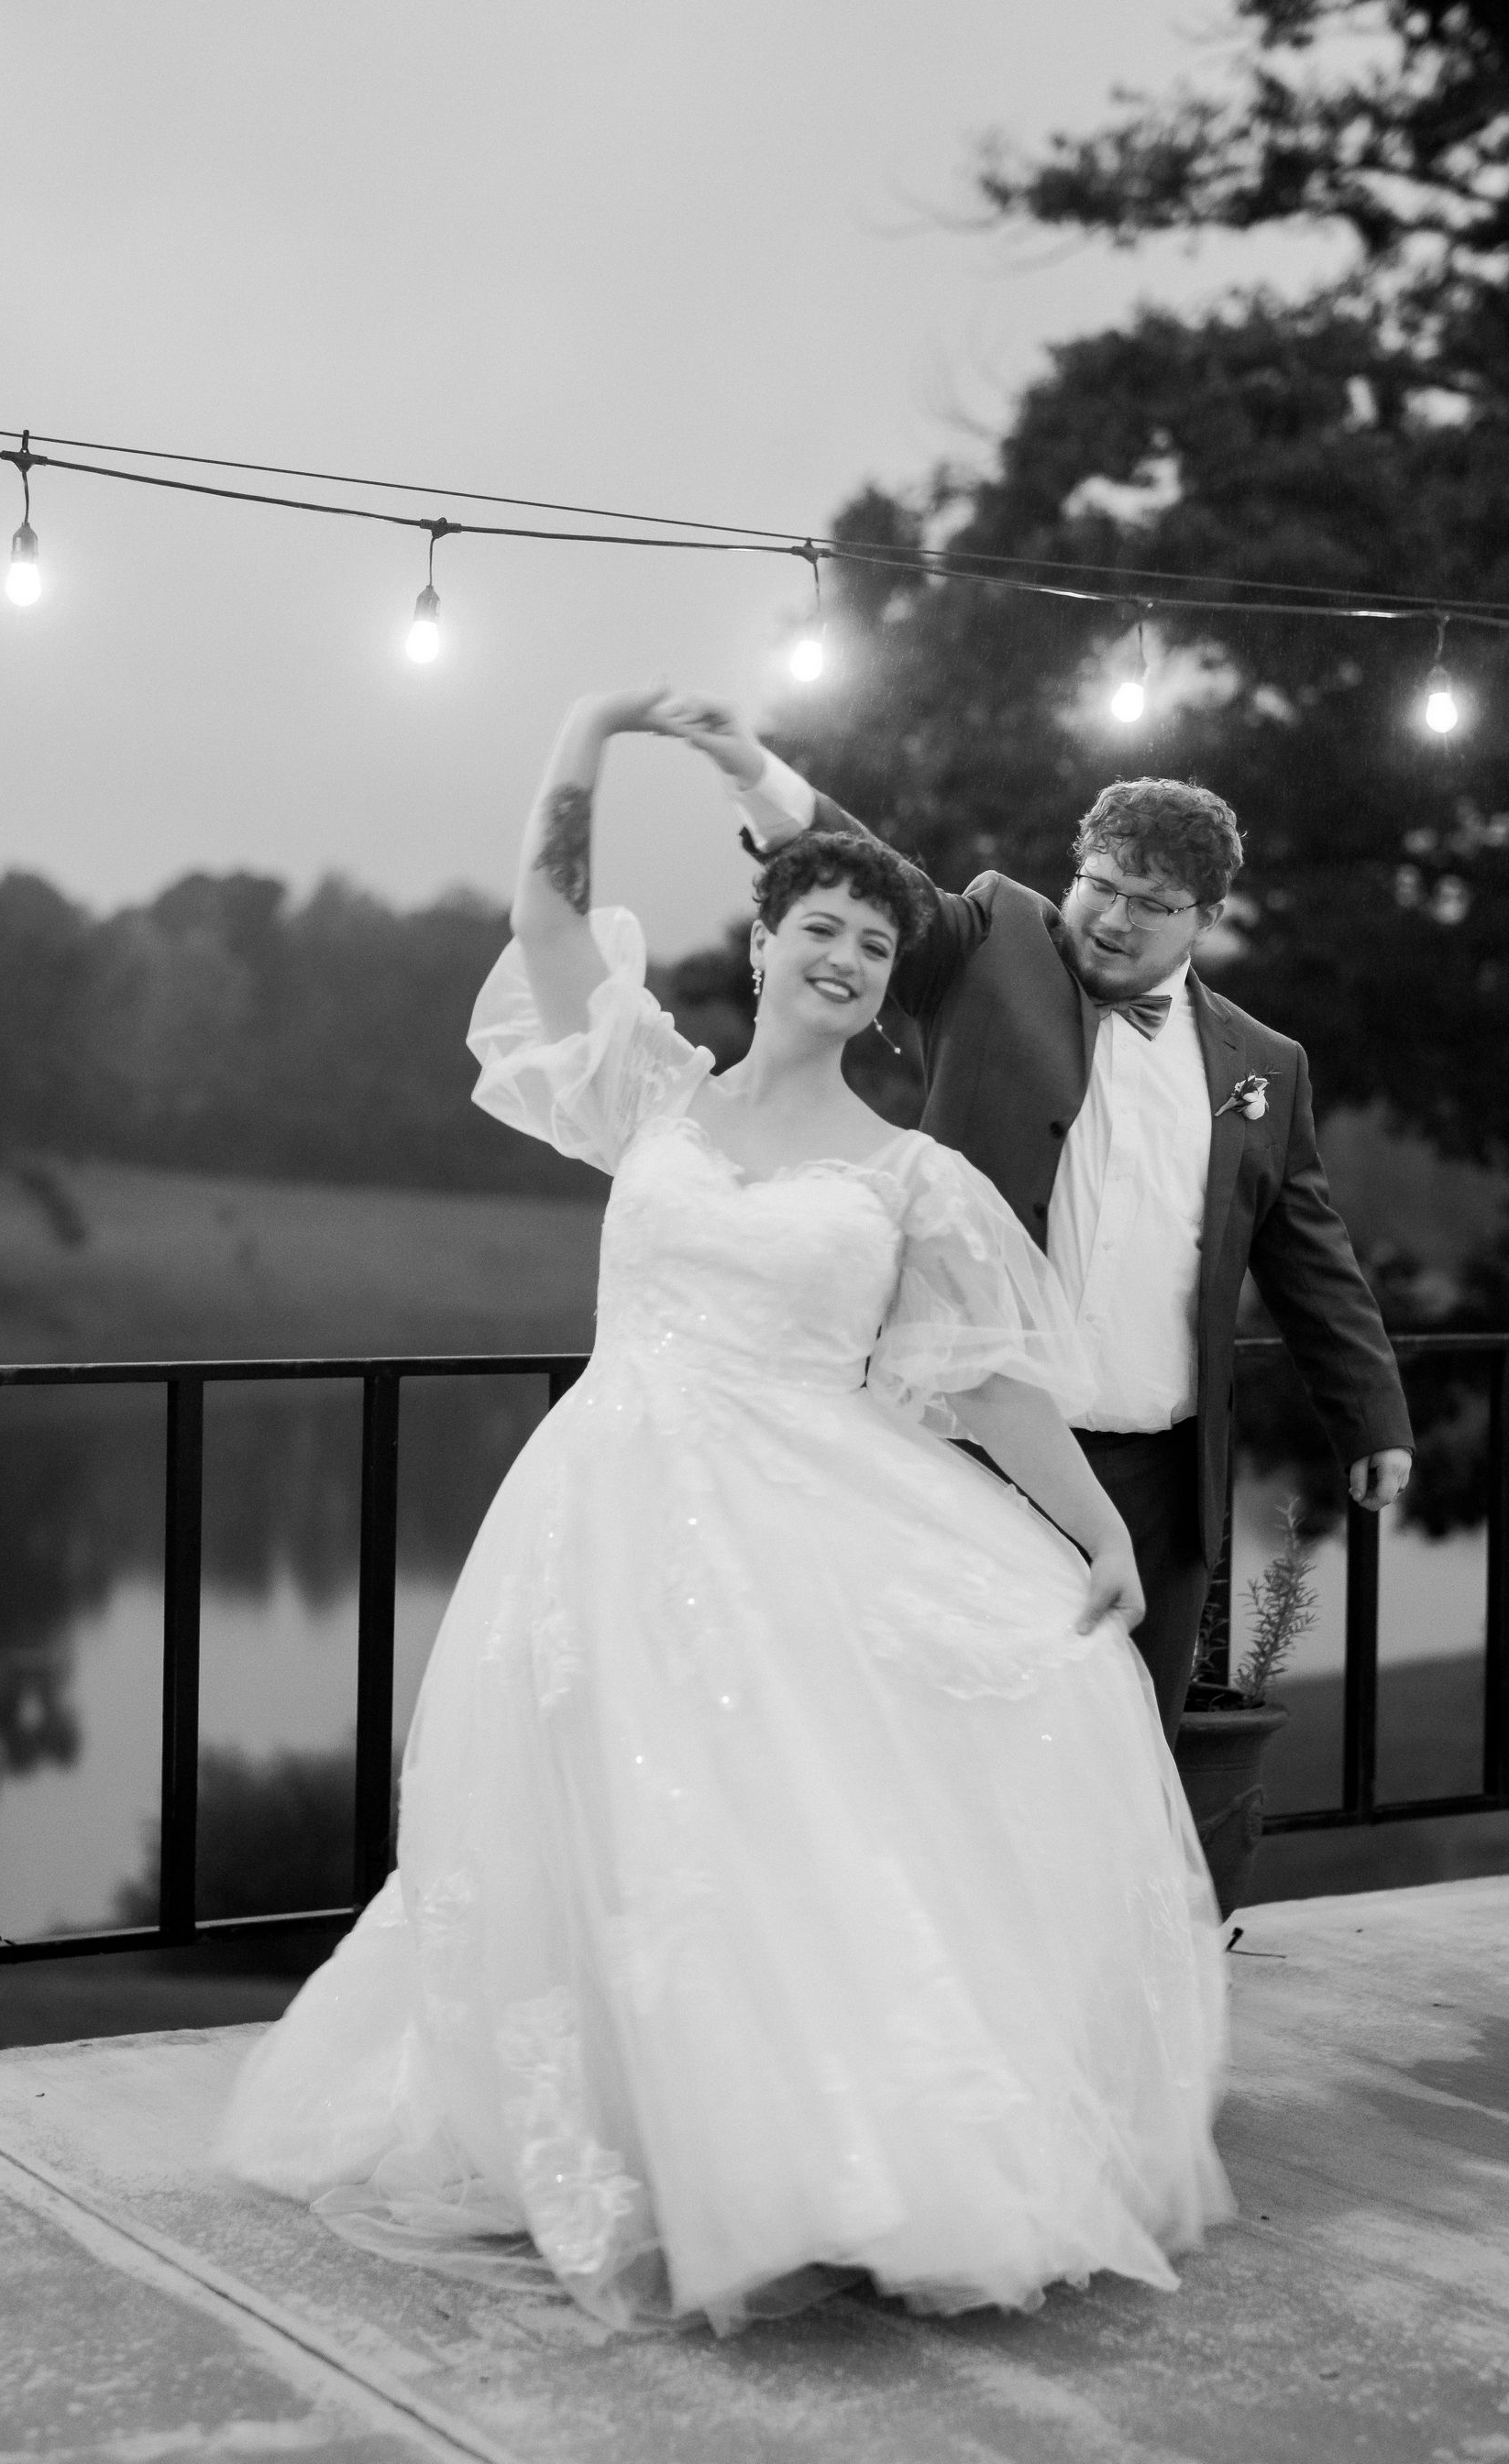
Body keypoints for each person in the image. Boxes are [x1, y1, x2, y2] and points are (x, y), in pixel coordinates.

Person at [217, 688, 1231, 2334]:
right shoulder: (656, 1100)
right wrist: (589, 733)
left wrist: (1100, 1530)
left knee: (784, 1835)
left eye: (874, 947)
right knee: (611, 1825)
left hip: (801, 1523)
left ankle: (823, 2155)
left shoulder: (912, 1176)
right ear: (760, 944)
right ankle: (641, 2138)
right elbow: (545, 915)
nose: (845, 956)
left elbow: (983, 1377)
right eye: (818, 926)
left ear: (891, 988)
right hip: (607, 1514)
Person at [657, 706, 1413, 1742]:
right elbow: (875, 874)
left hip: (1162, 1469)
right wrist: (758, 778)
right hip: (971, 1449)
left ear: (1207, 917)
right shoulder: (992, 940)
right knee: (947, 1743)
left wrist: (1372, 1415)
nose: (1112, 916)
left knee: (1128, 1756)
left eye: (1151, 902)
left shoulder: (1265, 1066)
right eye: (1100, 883)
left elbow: (1309, 1252)